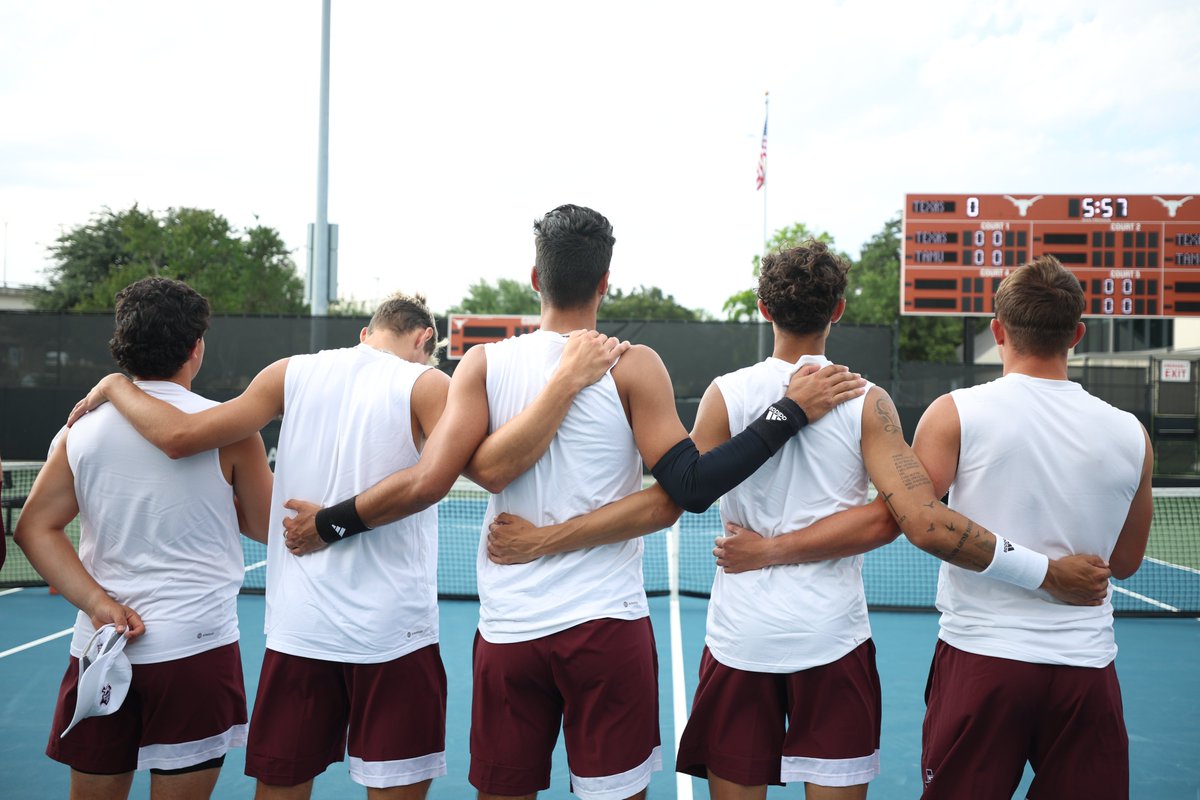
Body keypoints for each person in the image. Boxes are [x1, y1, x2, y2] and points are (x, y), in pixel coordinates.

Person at [487, 242, 1116, 800]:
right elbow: (896, 519)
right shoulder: (868, 400)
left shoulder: (724, 394)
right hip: (833, 641)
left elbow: (684, 490)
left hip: (741, 642)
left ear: (763, 309)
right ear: (838, 311)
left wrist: (764, 551)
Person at [281, 205, 868, 800]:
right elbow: (678, 491)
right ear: (605, 283)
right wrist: (786, 412)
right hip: (607, 630)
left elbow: (475, 469)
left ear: (536, 278)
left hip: (512, 633)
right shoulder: (633, 365)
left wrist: (538, 539)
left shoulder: (483, 362)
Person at [68, 292, 629, 800]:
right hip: (394, 634)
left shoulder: (288, 373)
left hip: (299, 629)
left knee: (282, 788)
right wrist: (333, 524)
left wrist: (117, 384)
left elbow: (179, 436)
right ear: (422, 342)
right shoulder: (429, 384)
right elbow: (445, 478)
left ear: (365, 332)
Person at [15, 277, 274, 800]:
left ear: (123, 345)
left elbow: (34, 527)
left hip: (99, 646)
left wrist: (98, 603)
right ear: (195, 348)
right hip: (197, 651)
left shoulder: (78, 430)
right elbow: (266, 527)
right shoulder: (232, 430)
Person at [909, 255, 1152, 800]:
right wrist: (1053, 569)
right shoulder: (1132, 433)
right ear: (1078, 335)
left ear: (998, 330)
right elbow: (1128, 561)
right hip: (1086, 672)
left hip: (982, 662)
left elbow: (919, 521)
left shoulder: (953, 412)